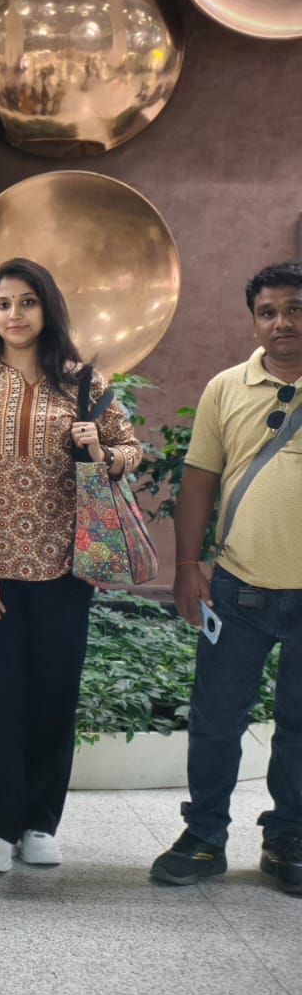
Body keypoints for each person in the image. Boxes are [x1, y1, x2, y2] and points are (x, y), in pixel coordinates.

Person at [0, 257, 140, 872]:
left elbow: (131, 449)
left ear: (47, 308)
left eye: (27, 301)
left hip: (66, 568)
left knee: (53, 696)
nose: (14, 314)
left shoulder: (82, 381)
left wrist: (103, 451)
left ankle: (39, 823)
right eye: (3, 303)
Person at [151, 261, 301, 894]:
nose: (282, 322)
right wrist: (187, 568)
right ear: (254, 321)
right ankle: (205, 835)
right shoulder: (226, 388)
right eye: (268, 312)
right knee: (216, 718)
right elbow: (198, 483)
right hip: (239, 587)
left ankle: (289, 836)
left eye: (295, 309)